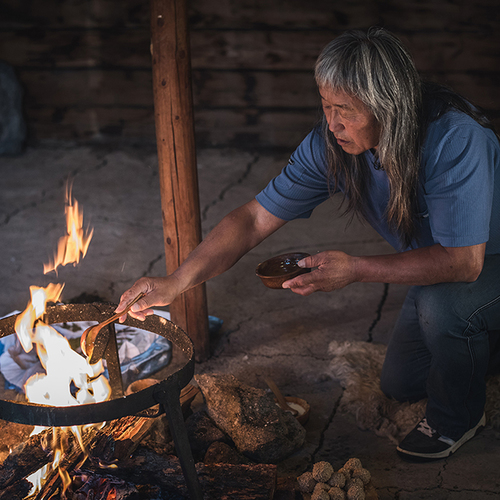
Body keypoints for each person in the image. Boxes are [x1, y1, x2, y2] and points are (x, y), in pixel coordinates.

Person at [116, 27, 500, 461]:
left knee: (443, 309)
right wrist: (176, 281)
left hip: (485, 262)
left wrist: (355, 269)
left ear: (388, 106)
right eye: (325, 104)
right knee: (402, 384)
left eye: (346, 110)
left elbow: (463, 263)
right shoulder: (332, 144)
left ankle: (458, 420)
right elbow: (254, 218)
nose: (332, 122)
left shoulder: (454, 138)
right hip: (445, 268)